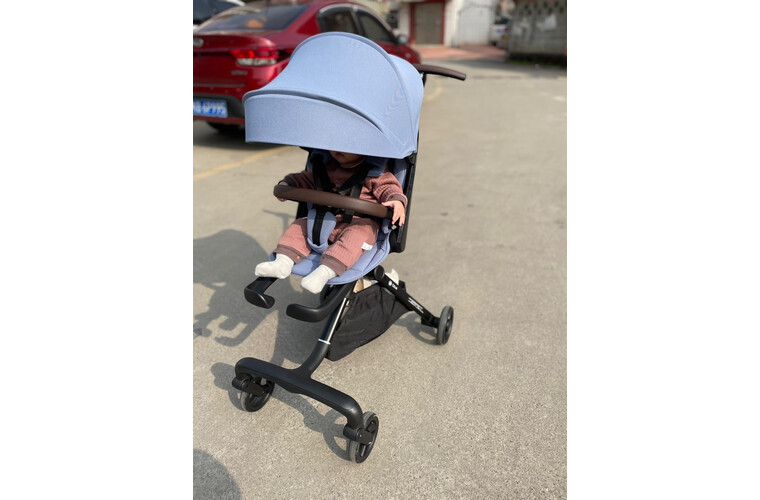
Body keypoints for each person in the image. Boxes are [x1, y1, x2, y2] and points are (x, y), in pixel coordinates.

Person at [255, 149, 406, 293]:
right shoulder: (323, 165)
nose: (339, 150)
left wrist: (396, 200)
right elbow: (303, 179)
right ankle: (282, 262)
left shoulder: (376, 173)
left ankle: (325, 272)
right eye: (335, 145)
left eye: (348, 147)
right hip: (324, 219)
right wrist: (287, 185)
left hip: (359, 222)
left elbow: (389, 188)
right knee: (299, 226)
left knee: (358, 236)